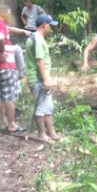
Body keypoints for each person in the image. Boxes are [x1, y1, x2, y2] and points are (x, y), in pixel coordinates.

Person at [0, 6, 24, 132]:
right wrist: (1, 51)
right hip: (6, 66)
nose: (9, 16)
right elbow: (1, 37)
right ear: (3, 14)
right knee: (9, 96)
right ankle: (12, 125)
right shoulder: (0, 25)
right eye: (8, 13)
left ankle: (3, 122)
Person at [26, 14, 62, 142]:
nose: (50, 29)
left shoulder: (35, 38)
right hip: (38, 79)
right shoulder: (38, 40)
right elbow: (39, 61)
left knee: (48, 106)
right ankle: (41, 134)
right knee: (41, 107)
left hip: (40, 78)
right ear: (44, 25)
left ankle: (52, 133)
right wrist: (46, 79)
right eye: (50, 26)